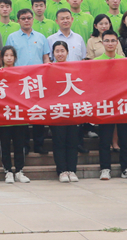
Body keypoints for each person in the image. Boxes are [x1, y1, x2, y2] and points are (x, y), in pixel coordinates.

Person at [93, 31, 127, 180]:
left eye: (113, 40)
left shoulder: (124, 61)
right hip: (105, 104)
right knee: (105, 139)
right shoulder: (96, 61)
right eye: (107, 41)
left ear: (117, 42)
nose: (110, 43)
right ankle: (105, 168)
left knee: (125, 138)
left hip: (122, 104)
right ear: (102, 42)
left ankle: (126, 168)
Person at [0, 46, 29, 184]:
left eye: (11, 55)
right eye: (6, 55)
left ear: (15, 57)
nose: (8, 58)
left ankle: (19, 171)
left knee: (19, 145)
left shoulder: (21, 73)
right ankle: (8, 171)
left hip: (19, 116)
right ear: (2, 57)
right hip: (3, 116)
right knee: (5, 146)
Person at [48, 41, 80, 182]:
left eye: (62, 51)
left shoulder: (74, 68)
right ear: (53, 53)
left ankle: (72, 170)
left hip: (72, 111)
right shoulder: (48, 69)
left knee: (72, 142)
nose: (60, 54)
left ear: (67, 52)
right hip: (56, 111)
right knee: (59, 142)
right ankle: (62, 171)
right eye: (57, 51)